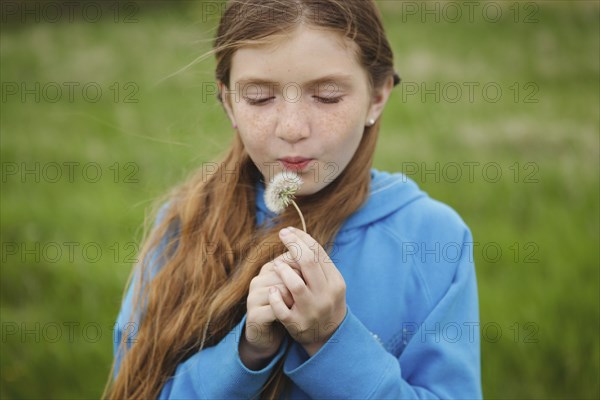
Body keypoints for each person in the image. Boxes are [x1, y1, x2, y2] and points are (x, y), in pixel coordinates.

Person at [105, 0, 482, 398]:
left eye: (328, 95)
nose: (292, 128)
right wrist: (248, 352)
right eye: (259, 98)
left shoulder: (432, 238)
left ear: (377, 96)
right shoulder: (185, 227)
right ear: (228, 101)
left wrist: (331, 343)